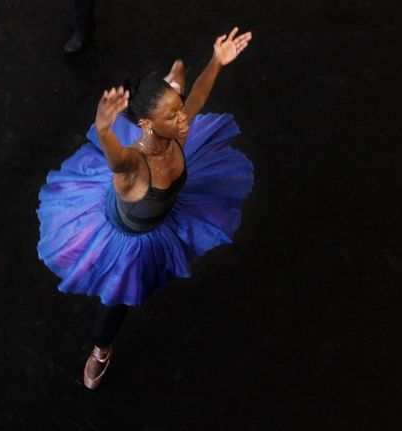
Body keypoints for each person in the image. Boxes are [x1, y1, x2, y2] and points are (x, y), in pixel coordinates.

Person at [37, 27, 253, 389]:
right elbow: (118, 160)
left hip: (162, 211)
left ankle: (175, 75)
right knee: (118, 297)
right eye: (173, 115)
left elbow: (198, 98)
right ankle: (101, 350)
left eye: (178, 110)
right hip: (128, 235)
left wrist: (217, 60)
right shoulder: (134, 168)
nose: (183, 120)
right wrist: (105, 131)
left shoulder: (178, 132)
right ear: (146, 124)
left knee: (186, 92)